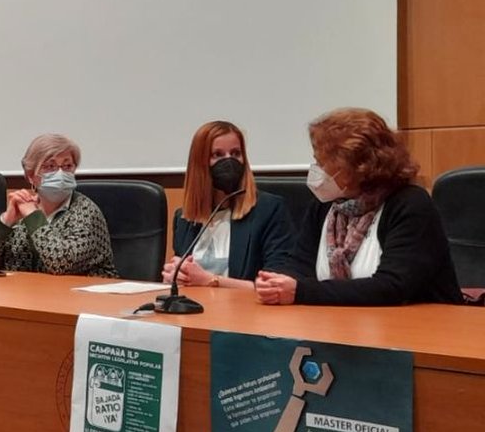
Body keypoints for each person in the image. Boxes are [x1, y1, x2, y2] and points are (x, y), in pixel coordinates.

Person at [256, 108, 460, 306]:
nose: (317, 170)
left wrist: (301, 292)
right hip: (340, 328)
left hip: (418, 332)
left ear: (355, 166)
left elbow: (393, 287)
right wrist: (276, 283)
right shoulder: (324, 206)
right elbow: (299, 265)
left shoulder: (410, 204)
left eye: (322, 163)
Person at [162, 121, 294, 289]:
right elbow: (186, 279)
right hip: (195, 311)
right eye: (217, 155)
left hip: (246, 312)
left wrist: (211, 280)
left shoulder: (268, 210)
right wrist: (176, 276)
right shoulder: (184, 218)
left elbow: (275, 285)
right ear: (199, 164)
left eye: (236, 153)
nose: (229, 161)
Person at [0, 134, 117, 276]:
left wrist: (33, 217)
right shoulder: (23, 208)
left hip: (84, 297)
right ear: (31, 176)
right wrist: (6, 221)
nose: (60, 174)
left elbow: (61, 263)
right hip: (27, 295)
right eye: (50, 166)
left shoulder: (85, 211)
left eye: (67, 166)